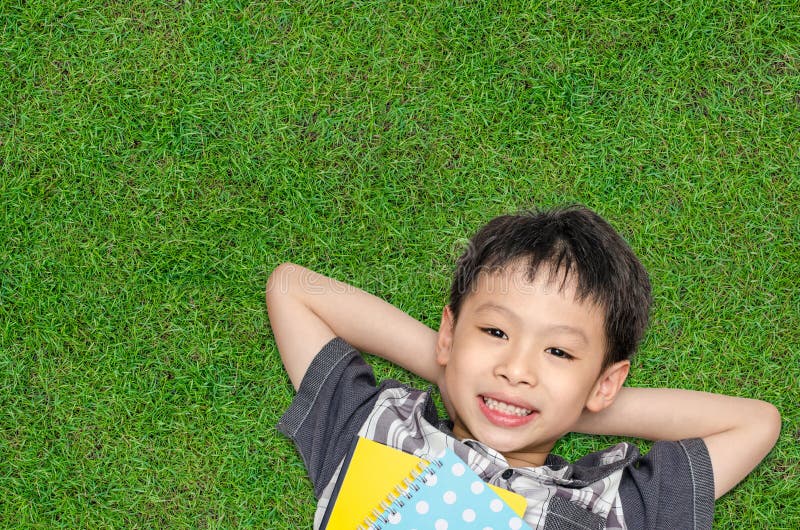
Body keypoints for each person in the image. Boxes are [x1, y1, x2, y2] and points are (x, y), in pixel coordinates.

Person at [267, 205, 780, 529]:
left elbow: (755, 423)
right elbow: (294, 290)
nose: (516, 369)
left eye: (559, 353)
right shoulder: (375, 432)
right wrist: (450, 367)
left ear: (605, 382)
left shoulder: (608, 510)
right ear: (451, 332)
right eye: (494, 333)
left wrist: (575, 405)